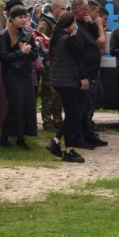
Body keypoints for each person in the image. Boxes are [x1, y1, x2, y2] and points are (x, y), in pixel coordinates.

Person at [44, 12, 87, 164]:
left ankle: (68, 149)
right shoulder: (67, 39)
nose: (76, 26)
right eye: (74, 23)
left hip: (59, 79)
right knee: (72, 114)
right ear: (69, 25)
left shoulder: (56, 37)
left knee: (70, 113)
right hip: (66, 80)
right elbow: (79, 54)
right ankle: (55, 140)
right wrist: (75, 36)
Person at [0, 4, 38, 148]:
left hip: (25, 74)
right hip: (12, 75)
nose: (23, 20)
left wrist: (27, 52)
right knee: (16, 105)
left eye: (25, 17)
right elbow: (3, 57)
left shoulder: (27, 34)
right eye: (20, 17)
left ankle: (21, 138)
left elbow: (34, 55)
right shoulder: (4, 35)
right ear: (12, 19)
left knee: (27, 105)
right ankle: (4, 137)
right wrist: (21, 52)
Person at [70, 0, 106, 149]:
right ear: (80, 12)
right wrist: (83, 76)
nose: (93, 14)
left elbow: (94, 39)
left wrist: (92, 25)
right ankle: (78, 138)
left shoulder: (85, 25)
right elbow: (78, 54)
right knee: (82, 109)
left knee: (87, 107)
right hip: (82, 75)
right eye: (88, 11)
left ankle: (89, 135)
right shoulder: (75, 28)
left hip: (90, 73)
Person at [38, 0, 67, 132]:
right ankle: (47, 121)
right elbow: (41, 43)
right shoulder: (45, 23)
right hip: (49, 64)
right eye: (62, 9)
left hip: (58, 63)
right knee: (49, 93)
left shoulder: (58, 22)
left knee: (58, 94)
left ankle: (58, 120)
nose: (64, 11)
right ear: (54, 9)